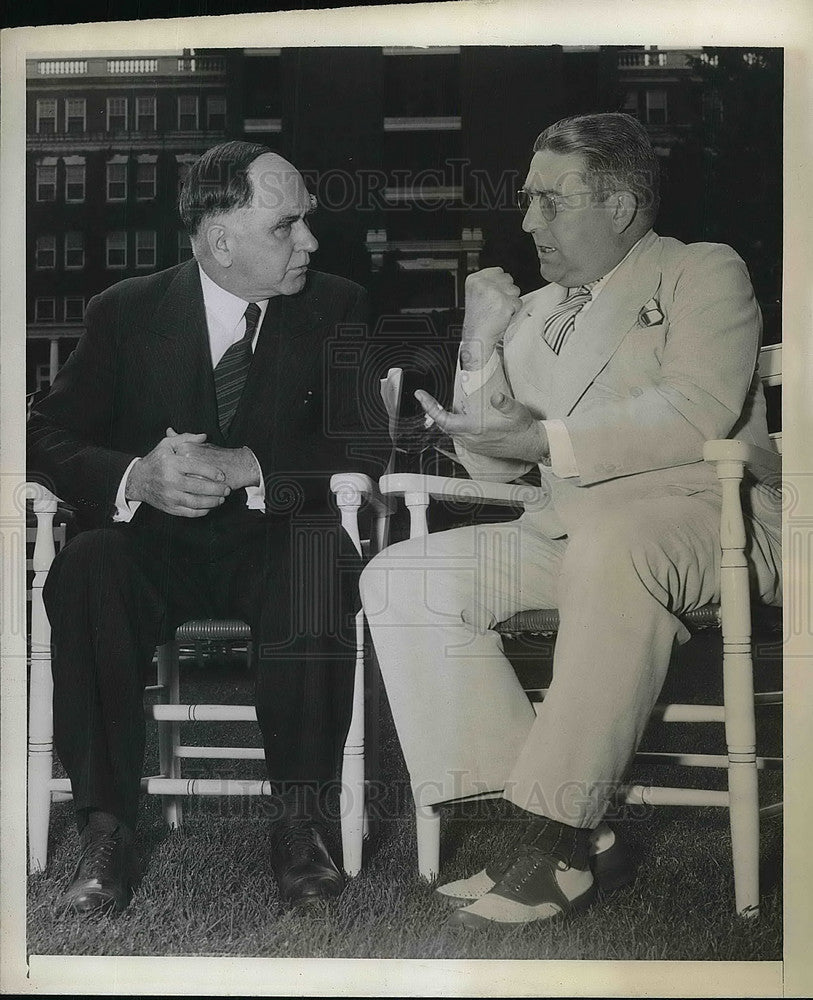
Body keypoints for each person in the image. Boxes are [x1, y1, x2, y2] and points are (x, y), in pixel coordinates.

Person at [359, 113, 781, 928]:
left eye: (549, 202)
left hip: (707, 523)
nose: (526, 222)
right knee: (403, 576)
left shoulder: (701, 272)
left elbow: (693, 408)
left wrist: (545, 437)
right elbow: (493, 464)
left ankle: (550, 843)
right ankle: (556, 829)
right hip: (572, 530)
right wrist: (478, 344)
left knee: (612, 547)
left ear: (620, 205)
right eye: (526, 200)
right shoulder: (537, 309)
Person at [28, 140, 370, 915]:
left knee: (318, 562)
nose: (309, 242)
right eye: (287, 226)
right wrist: (133, 475)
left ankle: (298, 826)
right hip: (151, 546)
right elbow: (43, 433)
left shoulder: (335, 306)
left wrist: (257, 464)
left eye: (305, 223)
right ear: (222, 240)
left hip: (273, 541)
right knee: (86, 567)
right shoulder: (126, 311)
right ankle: (106, 832)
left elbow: (364, 444)